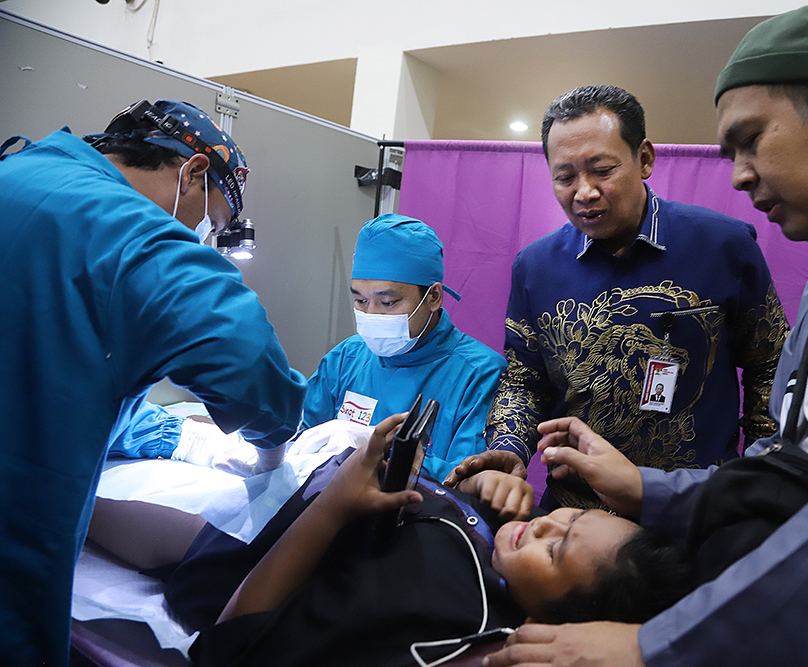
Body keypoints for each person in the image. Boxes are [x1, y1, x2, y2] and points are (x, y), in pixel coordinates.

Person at [482, 6, 808, 666]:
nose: (740, 174)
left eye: (751, 140)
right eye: (564, 176)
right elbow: (795, 461)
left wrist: (659, 641)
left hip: (753, 563)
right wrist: (518, 451)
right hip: (631, 522)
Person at [0, 99, 307, 666]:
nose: (197, 237)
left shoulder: (16, 171)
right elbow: (248, 363)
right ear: (191, 173)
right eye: (205, 223)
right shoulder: (127, 230)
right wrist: (271, 444)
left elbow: (53, 375)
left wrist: (182, 439)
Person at [86, 414, 692, 667]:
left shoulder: (444, 619)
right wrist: (475, 486)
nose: (544, 526)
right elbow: (461, 523)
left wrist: (334, 504)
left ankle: (54, 506)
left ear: (555, 620)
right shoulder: (505, 552)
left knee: (189, 546)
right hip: (318, 498)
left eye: (555, 550)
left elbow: (230, 644)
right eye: (570, 518)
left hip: (266, 551)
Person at [457, 85, 788, 508]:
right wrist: (509, 445)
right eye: (565, 176)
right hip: (573, 516)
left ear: (645, 159)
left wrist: (761, 482)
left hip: (693, 507)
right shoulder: (535, 267)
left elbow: (771, 366)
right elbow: (524, 380)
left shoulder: (723, 245)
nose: (584, 192)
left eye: (602, 169)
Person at [301, 214, 507, 482]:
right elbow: (300, 443)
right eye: (361, 301)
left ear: (433, 297)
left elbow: (469, 480)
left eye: (388, 303)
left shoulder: (479, 374)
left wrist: (383, 456)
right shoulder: (346, 358)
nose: (371, 315)